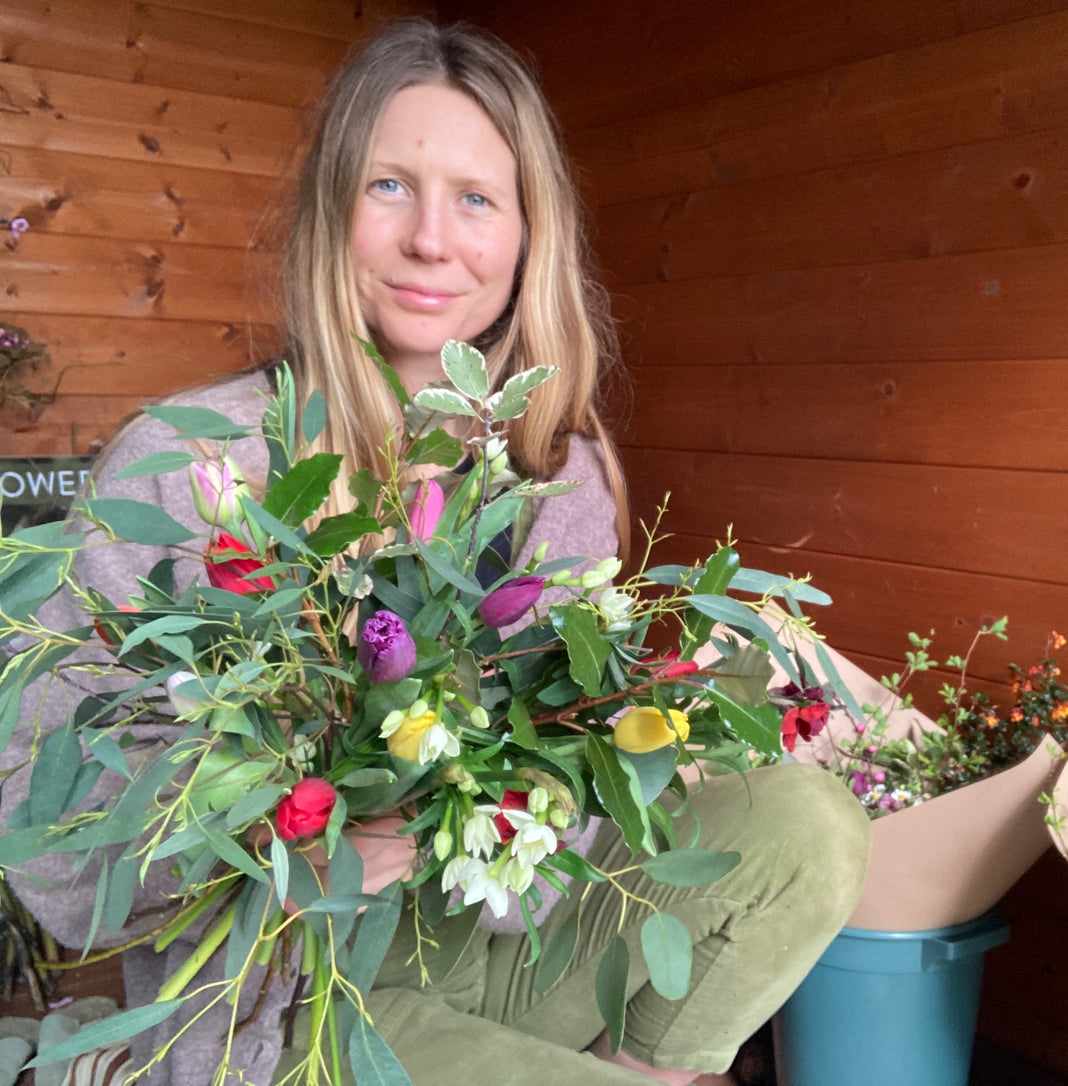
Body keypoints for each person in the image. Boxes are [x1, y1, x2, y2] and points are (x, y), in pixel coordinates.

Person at [0, 19, 871, 1086]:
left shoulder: (554, 471)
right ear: (330, 212)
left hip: (489, 933)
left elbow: (568, 778)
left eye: (475, 197)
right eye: (388, 187)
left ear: (524, 234)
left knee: (805, 825)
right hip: (278, 991)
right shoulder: (184, 464)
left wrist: (613, 751)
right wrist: (294, 862)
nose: (430, 239)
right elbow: (42, 827)